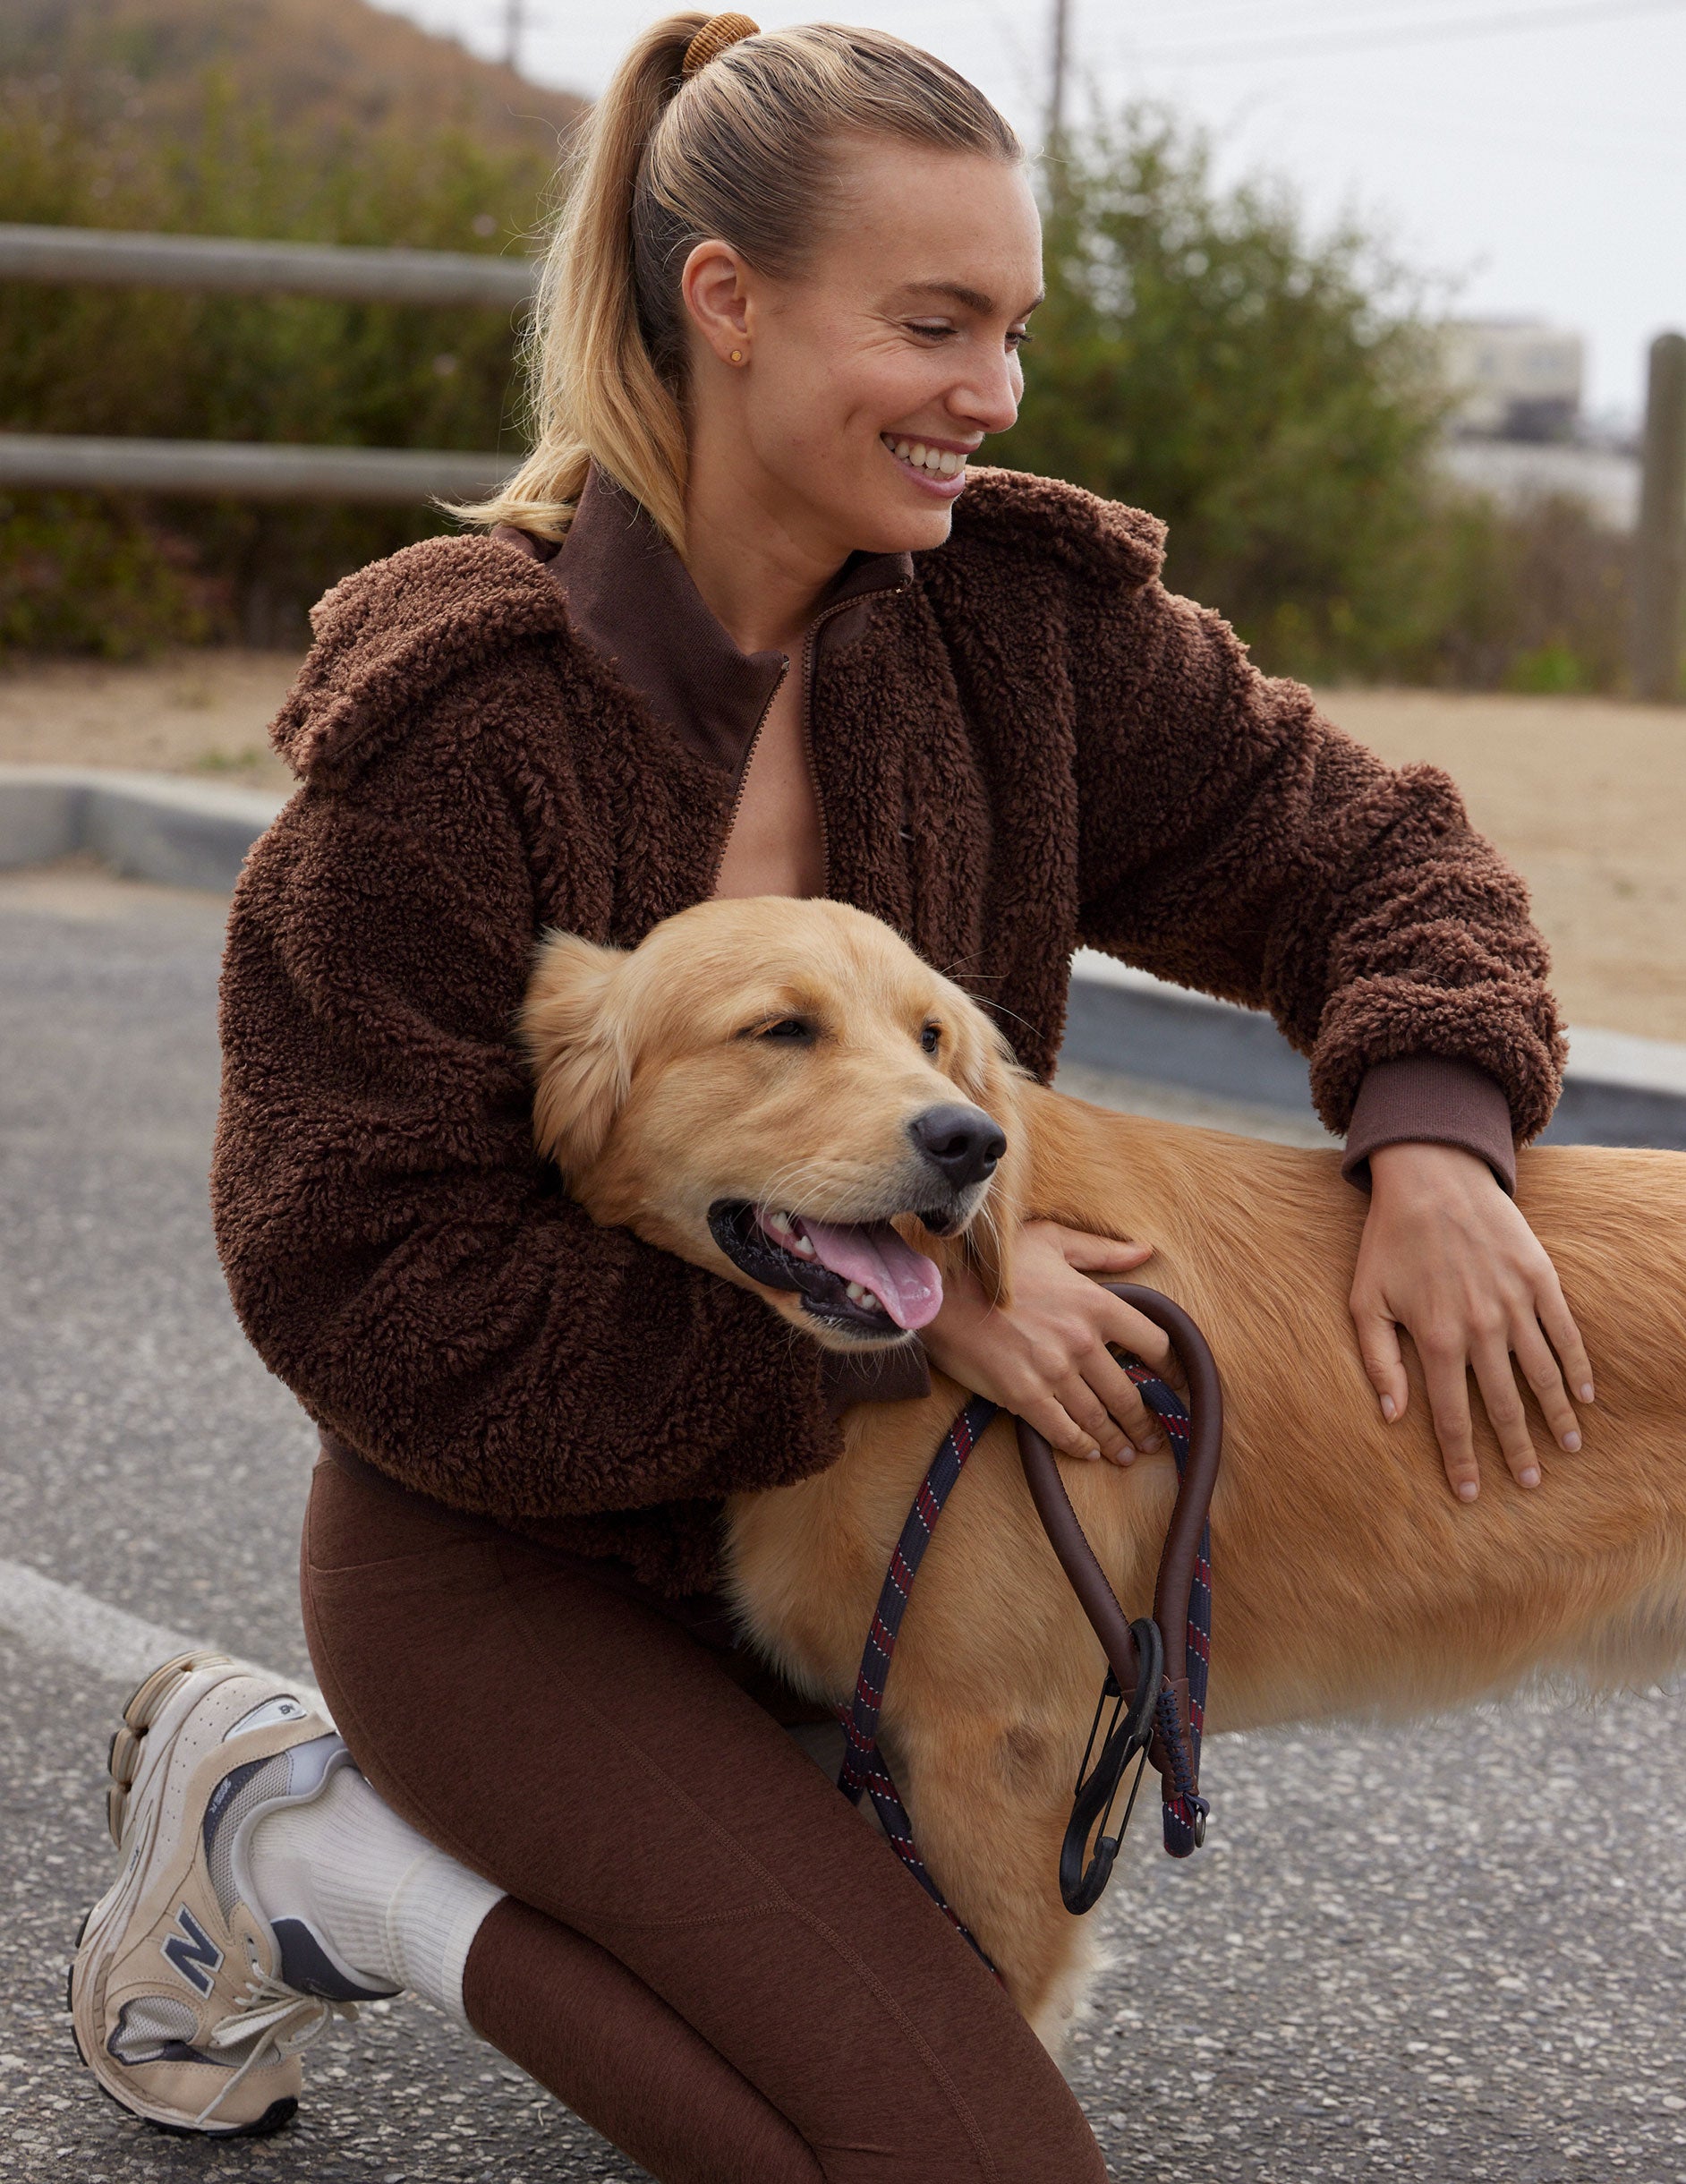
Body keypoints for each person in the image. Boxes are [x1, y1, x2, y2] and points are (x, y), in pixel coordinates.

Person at [69, 14, 1593, 2178]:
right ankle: (307, 1842)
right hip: (512, 1553)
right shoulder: (456, 725)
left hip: (859, 1563)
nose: (995, 390)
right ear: (728, 302)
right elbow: (362, 1274)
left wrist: (1442, 1134)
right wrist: (918, 1328)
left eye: (1015, 329)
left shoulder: (1022, 637)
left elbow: (1380, 855)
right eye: (935, 322)